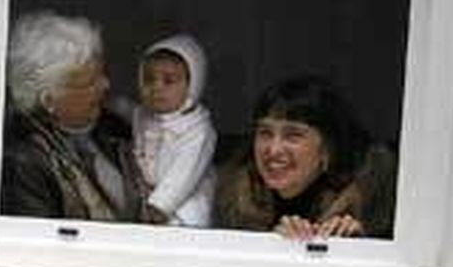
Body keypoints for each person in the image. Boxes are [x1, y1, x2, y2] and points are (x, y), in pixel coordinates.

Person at [0, 11, 148, 222]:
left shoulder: (117, 127)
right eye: (90, 82)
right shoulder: (22, 162)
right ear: (49, 99)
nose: (106, 85)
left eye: (102, 74)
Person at [214, 75, 397, 239]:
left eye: (293, 135)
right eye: (265, 133)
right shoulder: (234, 199)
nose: (274, 149)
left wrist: (354, 247)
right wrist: (272, 244)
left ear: (329, 148)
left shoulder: (367, 202)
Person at [109, 34, 217, 227]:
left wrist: (159, 206)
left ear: (192, 85)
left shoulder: (198, 130)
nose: (157, 87)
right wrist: (111, 103)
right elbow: (129, 111)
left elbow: (184, 173)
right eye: (149, 80)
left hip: (181, 204)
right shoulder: (144, 114)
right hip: (147, 199)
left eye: (169, 81)